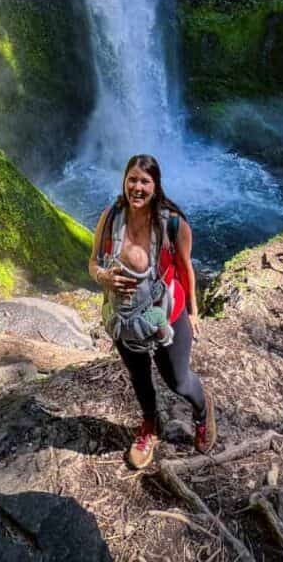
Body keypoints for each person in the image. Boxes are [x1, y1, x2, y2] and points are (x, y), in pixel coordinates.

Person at [89, 154, 216, 469]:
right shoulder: (110, 217)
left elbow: (187, 269)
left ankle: (203, 411)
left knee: (178, 381)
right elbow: (92, 262)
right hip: (123, 320)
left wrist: (193, 311)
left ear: (156, 186)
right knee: (139, 376)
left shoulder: (174, 224)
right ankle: (150, 426)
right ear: (124, 181)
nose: (137, 187)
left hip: (166, 317)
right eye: (132, 179)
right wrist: (103, 277)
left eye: (144, 181)